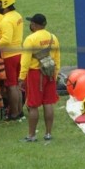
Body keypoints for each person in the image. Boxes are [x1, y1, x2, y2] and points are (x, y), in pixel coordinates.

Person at [18, 14, 61, 142]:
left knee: (33, 105)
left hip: (35, 74)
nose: (30, 25)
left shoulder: (30, 39)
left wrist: (21, 77)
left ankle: (31, 135)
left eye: (31, 23)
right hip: (50, 74)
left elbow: (25, 61)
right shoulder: (53, 38)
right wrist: (56, 74)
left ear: (35, 25)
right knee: (48, 103)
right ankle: (48, 134)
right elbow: (57, 59)